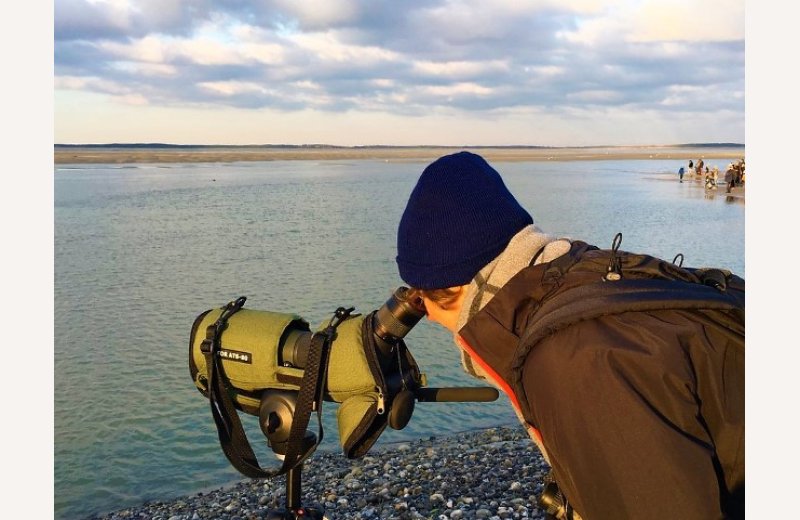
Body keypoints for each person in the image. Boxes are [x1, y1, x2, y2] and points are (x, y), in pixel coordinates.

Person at [395, 151, 744, 520]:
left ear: (450, 288)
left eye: (418, 297)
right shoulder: (581, 275)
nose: (426, 317)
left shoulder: (577, 363)